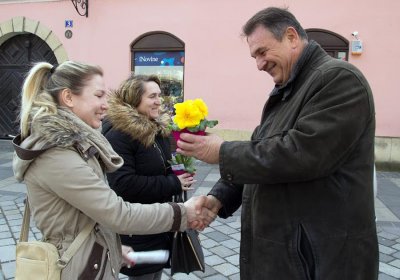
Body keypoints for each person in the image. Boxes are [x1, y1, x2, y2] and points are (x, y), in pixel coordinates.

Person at [176, 7, 378, 280]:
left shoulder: (339, 79)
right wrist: (219, 198)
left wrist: (221, 152)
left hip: (321, 260)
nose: (259, 64)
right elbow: (262, 148)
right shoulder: (288, 89)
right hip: (290, 256)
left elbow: (301, 154)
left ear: (292, 37)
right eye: (254, 56)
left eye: (262, 52)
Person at [12, 61, 214, 280]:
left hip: (90, 259)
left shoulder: (76, 145)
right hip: (74, 268)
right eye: (98, 95)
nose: (105, 105)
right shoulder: (56, 154)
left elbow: (88, 213)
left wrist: (114, 248)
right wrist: (184, 213)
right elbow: (116, 212)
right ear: (68, 97)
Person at [102, 74, 195, 280]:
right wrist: (173, 182)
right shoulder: (119, 135)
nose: (159, 101)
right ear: (135, 99)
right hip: (136, 226)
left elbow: (162, 164)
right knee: (143, 275)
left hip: (158, 222)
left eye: (159, 95)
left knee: (155, 273)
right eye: (152, 96)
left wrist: (179, 170)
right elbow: (123, 183)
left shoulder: (156, 128)